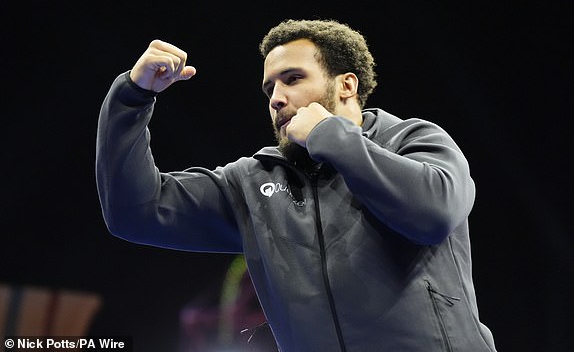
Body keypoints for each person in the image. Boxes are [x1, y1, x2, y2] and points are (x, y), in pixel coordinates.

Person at [96, 19, 497, 351]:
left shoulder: (413, 140)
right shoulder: (252, 183)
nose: (276, 98)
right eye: (270, 87)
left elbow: (433, 214)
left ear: (346, 85)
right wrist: (133, 98)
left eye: (292, 79)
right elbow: (136, 212)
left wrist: (328, 135)